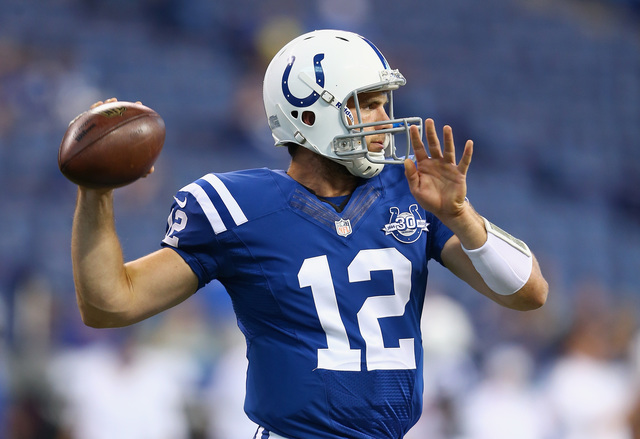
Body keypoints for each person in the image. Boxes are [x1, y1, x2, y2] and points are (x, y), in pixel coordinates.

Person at [70, 29, 548, 439]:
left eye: (384, 104)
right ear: (308, 113)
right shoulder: (238, 206)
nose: (384, 121)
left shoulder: (412, 192)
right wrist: (97, 192)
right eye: (367, 104)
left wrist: (462, 216)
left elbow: (529, 294)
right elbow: (112, 303)